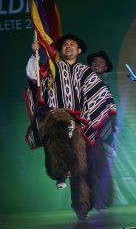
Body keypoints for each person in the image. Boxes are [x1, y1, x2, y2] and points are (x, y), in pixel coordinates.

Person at [24, 33, 117, 220]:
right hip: (58, 117)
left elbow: (100, 94)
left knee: (80, 167)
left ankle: (81, 207)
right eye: (65, 44)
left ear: (79, 50)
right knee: (56, 124)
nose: (68, 46)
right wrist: (35, 55)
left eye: (73, 44)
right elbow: (34, 78)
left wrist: (91, 117)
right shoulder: (53, 68)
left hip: (79, 123)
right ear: (60, 50)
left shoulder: (86, 72)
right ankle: (59, 171)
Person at [86, 50, 116, 212]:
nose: (96, 64)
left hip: (99, 133)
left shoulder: (105, 87)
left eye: (100, 62)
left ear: (105, 68)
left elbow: (109, 110)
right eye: (94, 62)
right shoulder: (83, 83)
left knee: (100, 167)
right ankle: (89, 202)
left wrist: (109, 133)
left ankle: (101, 202)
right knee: (86, 168)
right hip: (84, 129)